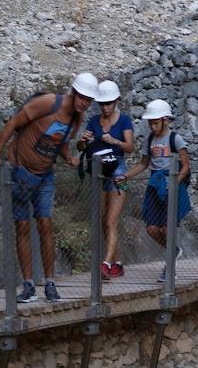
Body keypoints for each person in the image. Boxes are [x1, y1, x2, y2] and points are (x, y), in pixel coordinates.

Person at [0, 72, 99, 303]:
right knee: (22, 226)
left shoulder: (76, 118)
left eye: (89, 100)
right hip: (21, 171)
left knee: (45, 223)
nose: (85, 103)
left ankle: (50, 283)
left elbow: (59, 140)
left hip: (45, 175)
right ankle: (28, 285)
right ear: (74, 92)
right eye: (83, 97)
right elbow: (15, 122)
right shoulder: (48, 103)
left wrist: (68, 157)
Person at [123, 99, 191, 283]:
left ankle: (169, 268)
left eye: (155, 123)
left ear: (165, 120)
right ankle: (174, 251)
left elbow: (185, 166)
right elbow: (143, 163)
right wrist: (126, 176)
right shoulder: (149, 141)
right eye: (150, 123)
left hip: (172, 186)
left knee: (167, 227)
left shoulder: (175, 139)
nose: (152, 127)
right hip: (155, 186)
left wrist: (174, 183)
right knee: (152, 229)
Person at [82, 80, 135, 280]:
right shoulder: (94, 121)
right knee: (105, 222)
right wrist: (83, 140)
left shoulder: (125, 121)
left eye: (108, 103)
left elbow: (130, 147)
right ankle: (118, 263)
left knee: (111, 220)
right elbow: (82, 148)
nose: (105, 107)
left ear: (116, 101)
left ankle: (105, 265)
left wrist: (115, 141)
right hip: (99, 173)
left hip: (119, 172)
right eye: (102, 103)